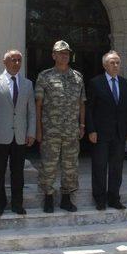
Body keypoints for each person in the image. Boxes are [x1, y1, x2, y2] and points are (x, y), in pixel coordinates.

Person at [0, 50, 35, 216]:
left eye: (19, 60)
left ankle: (17, 204)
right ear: (5, 62)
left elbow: (31, 112)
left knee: (18, 173)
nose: (17, 63)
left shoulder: (27, 84)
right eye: (13, 60)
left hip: (20, 135)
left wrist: (31, 132)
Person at [35, 40, 85, 213]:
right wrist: (38, 130)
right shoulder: (45, 76)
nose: (65, 55)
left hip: (71, 130)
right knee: (49, 165)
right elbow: (38, 105)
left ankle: (66, 198)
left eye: (67, 53)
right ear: (53, 55)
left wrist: (82, 124)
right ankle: (48, 197)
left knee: (70, 165)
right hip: (51, 130)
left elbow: (81, 103)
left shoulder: (77, 77)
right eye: (61, 53)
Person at [86, 51, 127, 211]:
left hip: (120, 134)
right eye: (112, 63)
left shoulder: (126, 84)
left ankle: (114, 198)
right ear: (105, 65)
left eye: (117, 63)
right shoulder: (95, 83)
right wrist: (91, 130)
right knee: (99, 167)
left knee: (117, 168)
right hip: (100, 134)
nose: (116, 65)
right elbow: (89, 109)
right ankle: (100, 199)